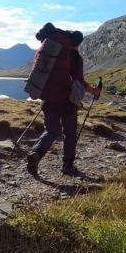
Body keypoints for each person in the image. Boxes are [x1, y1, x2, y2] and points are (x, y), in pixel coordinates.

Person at [27, 25, 101, 176]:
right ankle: (67, 166)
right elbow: (79, 82)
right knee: (70, 133)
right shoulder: (74, 56)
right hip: (67, 101)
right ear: (76, 42)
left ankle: (36, 154)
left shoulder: (48, 49)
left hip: (47, 99)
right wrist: (94, 91)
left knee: (50, 131)